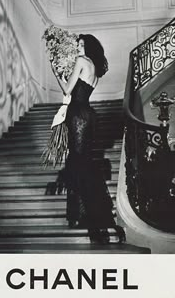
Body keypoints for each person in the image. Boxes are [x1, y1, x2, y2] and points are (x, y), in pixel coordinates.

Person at [56, 34, 125, 244]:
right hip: (88, 115)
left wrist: (57, 74)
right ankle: (101, 224)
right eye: (77, 44)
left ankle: (96, 227)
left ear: (87, 46)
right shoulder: (94, 68)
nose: (77, 47)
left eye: (80, 44)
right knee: (83, 168)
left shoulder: (81, 61)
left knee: (80, 169)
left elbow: (68, 91)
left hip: (77, 114)